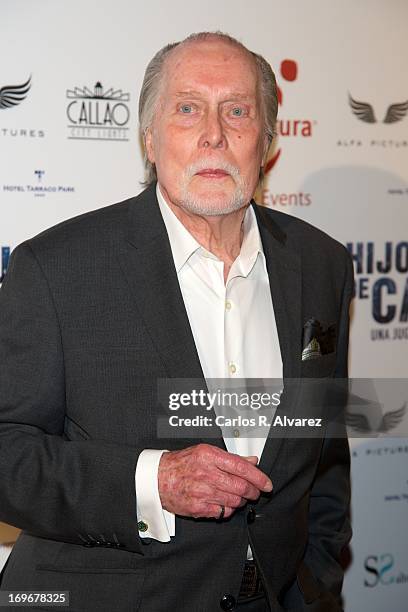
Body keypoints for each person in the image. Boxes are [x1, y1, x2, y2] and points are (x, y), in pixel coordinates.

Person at [0, 32, 353, 612]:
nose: (214, 134)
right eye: (188, 108)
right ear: (149, 138)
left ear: (266, 142)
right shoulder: (57, 267)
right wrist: (151, 483)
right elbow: (8, 453)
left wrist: (315, 586)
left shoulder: (322, 264)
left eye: (237, 111)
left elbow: (326, 452)